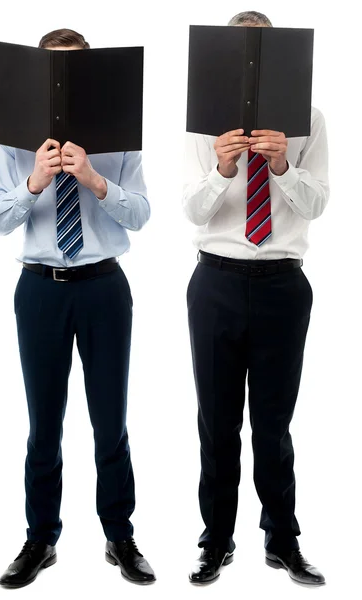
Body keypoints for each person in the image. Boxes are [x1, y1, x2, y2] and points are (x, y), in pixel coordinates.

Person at [0, 28, 155, 588]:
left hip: (104, 287)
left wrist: (94, 179)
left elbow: (140, 215)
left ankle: (120, 535)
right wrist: (36, 179)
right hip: (39, 290)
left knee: (111, 421)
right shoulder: (12, 141)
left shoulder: (117, 136)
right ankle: (40, 539)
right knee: (43, 425)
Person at [184, 11, 328, 586]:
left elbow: (317, 204)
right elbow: (193, 210)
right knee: (217, 422)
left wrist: (281, 164)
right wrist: (223, 167)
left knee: (274, 423)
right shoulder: (202, 125)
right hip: (215, 281)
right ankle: (216, 539)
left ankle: (282, 539)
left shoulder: (308, 119)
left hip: (282, 285)